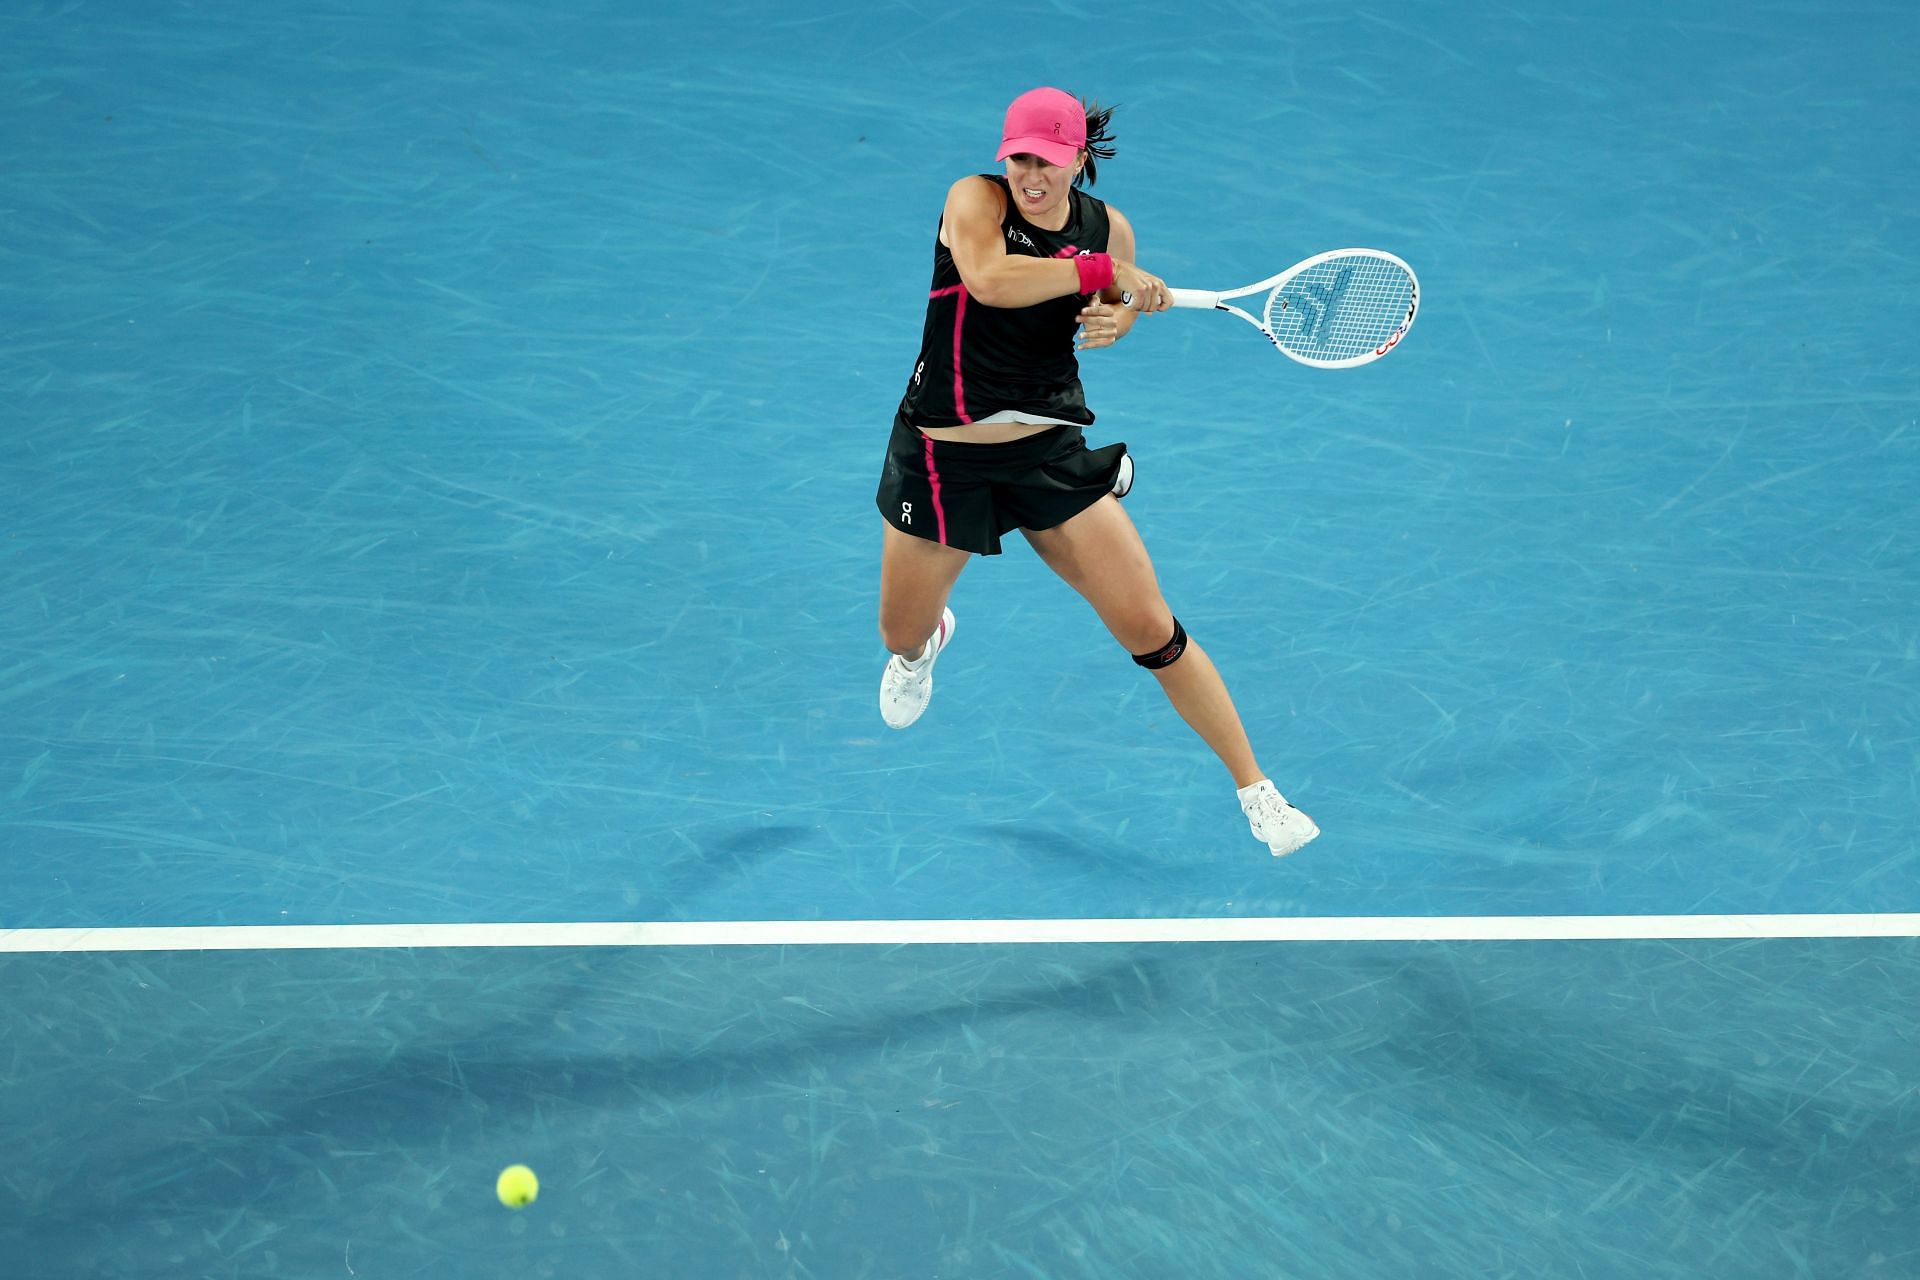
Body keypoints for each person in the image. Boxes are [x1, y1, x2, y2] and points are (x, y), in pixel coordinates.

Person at [872, 87, 1318, 858]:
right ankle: (926, 645)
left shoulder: (1106, 229)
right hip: (944, 458)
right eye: (1018, 158)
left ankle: (1257, 789)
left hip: (1046, 454)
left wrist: (1123, 311)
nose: (1030, 176)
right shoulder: (973, 201)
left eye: (1046, 161)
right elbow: (990, 280)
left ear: (1080, 158)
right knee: (898, 630)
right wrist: (1098, 274)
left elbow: (1112, 299)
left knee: (1152, 628)